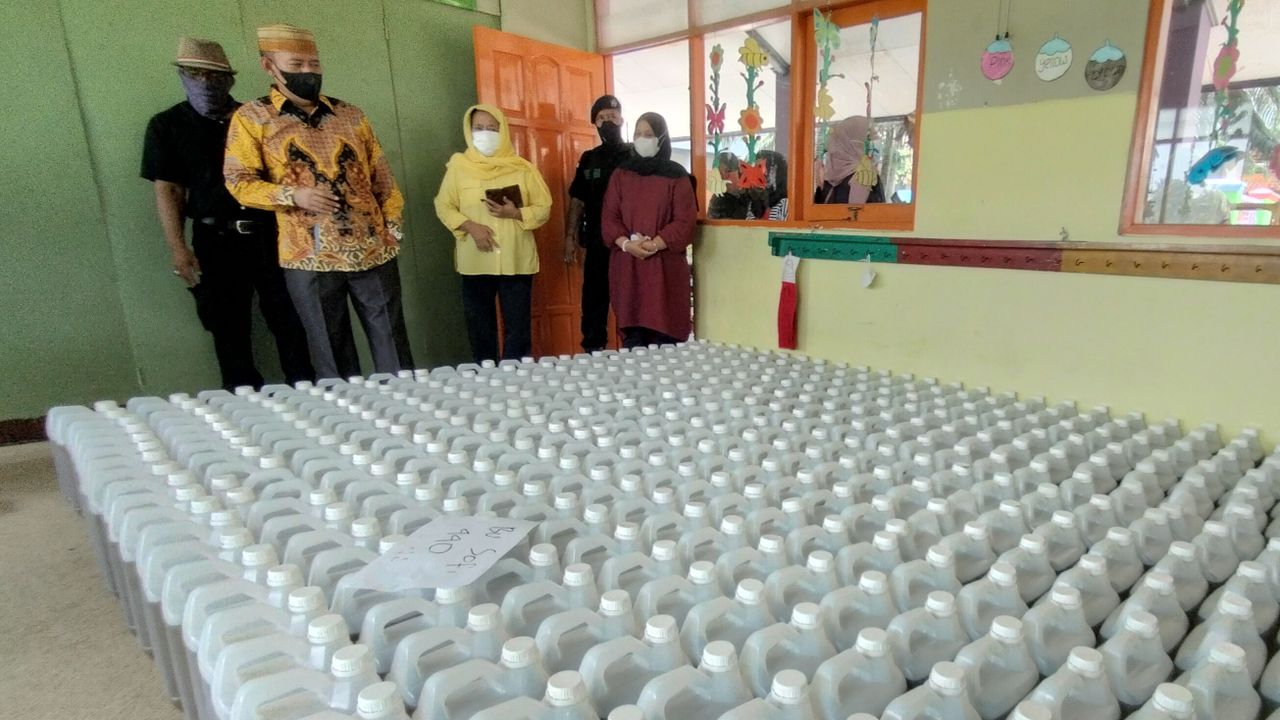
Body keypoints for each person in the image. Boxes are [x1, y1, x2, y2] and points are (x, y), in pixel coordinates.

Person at [224, 23, 413, 380]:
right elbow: (238, 181)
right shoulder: (253, 119)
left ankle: (408, 421)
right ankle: (349, 427)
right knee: (331, 351)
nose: (308, 72)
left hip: (374, 249)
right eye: (296, 65)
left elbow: (382, 177)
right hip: (308, 255)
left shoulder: (350, 115)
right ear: (269, 66)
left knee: (393, 348)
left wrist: (392, 228)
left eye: (314, 64)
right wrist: (292, 194)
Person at [142, 37, 313, 392]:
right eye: (195, 73)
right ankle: (244, 407)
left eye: (214, 75)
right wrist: (178, 248)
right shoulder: (167, 126)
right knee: (228, 330)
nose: (205, 82)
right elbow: (168, 190)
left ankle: (307, 395)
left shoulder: (257, 119)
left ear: (230, 79)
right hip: (214, 239)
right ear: (182, 76)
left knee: (291, 322)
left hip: (271, 233)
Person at [434, 104, 552, 363]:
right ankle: (486, 379)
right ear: (469, 131)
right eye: (479, 128)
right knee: (480, 328)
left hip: (516, 260)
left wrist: (516, 214)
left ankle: (517, 379)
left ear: (503, 131)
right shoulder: (458, 167)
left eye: (492, 128)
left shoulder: (523, 168)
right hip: (476, 261)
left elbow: (544, 208)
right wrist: (470, 226)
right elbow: (443, 205)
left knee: (518, 329)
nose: (485, 133)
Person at [600, 112, 697, 349]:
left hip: (664, 271)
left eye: (649, 134)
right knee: (634, 342)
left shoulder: (677, 176)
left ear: (662, 138)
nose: (642, 139)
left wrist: (655, 244)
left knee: (666, 341)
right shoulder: (621, 174)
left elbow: (685, 221)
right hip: (628, 268)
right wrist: (627, 244)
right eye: (638, 134)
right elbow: (609, 217)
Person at [563, 95, 631, 353]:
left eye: (612, 117)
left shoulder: (634, 154)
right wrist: (569, 236)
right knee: (593, 305)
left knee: (630, 303)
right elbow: (577, 199)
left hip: (628, 245)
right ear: (595, 124)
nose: (607, 122)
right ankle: (594, 354)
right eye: (601, 119)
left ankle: (635, 352)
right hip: (596, 242)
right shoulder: (589, 158)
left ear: (621, 120)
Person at [815, 115, 883, 204]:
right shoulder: (863, 176)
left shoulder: (830, 178)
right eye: (870, 137)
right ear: (854, 143)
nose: (877, 142)